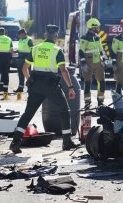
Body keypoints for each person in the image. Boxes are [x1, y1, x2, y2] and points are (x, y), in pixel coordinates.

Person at [9, 25, 77, 153]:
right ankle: (66, 142)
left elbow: (24, 68)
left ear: (45, 35)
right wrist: (71, 87)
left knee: (28, 114)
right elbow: (63, 70)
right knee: (64, 110)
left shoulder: (35, 49)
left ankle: (15, 142)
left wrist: (29, 81)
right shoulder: (57, 50)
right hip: (51, 86)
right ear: (56, 37)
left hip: (36, 85)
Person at [79, 18, 107, 108]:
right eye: (97, 27)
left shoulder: (97, 37)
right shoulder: (84, 38)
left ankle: (100, 102)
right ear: (93, 27)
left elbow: (101, 50)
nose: (98, 28)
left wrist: (104, 59)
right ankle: (87, 102)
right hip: (88, 63)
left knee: (102, 82)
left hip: (98, 62)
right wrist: (83, 64)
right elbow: (81, 51)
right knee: (87, 82)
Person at [0, 27, 13, 96]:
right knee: (5, 74)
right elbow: (11, 50)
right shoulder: (9, 39)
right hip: (7, 57)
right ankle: (5, 90)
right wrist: (11, 58)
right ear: (5, 32)